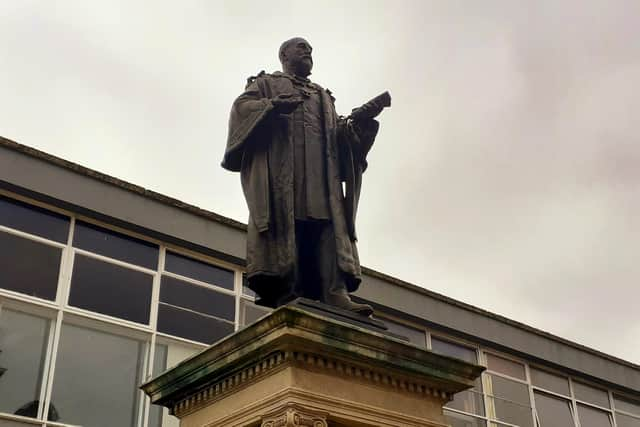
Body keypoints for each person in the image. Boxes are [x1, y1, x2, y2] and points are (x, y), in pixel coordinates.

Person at [222, 37, 381, 316]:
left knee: (328, 226)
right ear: (284, 54)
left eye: (311, 50)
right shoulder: (265, 84)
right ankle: (288, 287)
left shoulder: (322, 95)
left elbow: (340, 138)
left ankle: (335, 292)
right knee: (289, 222)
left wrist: (360, 124)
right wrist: (270, 106)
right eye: (301, 47)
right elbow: (241, 109)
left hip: (322, 178)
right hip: (286, 175)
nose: (308, 52)